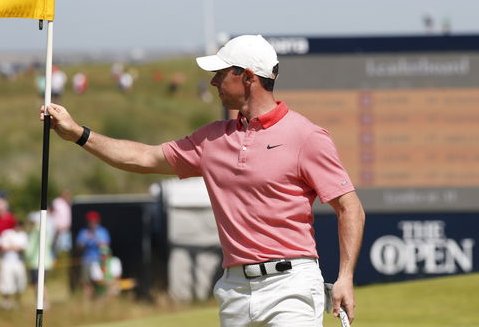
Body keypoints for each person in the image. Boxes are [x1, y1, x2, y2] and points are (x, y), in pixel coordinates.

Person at [42, 34, 365, 326]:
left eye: (221, 74)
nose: (213, 82)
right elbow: (142, 157)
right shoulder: (211, 140)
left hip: (291, 285)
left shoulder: (306, 136)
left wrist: (345, 277)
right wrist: (78, 134)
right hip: (235, 290)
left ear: (248, 77)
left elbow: (350, 207)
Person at [75, 211, 110, 298]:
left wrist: (96, 239)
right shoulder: (83, 232)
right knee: (86, 282)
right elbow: (78, 247)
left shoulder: (102, 231)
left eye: (94, 221)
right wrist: (85, 239)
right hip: (87, 261)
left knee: (100, 282)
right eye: (90, 221)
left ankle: (99, 300)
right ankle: (87, 302)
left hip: (100, 261)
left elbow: (106, 247)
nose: (92, 223)